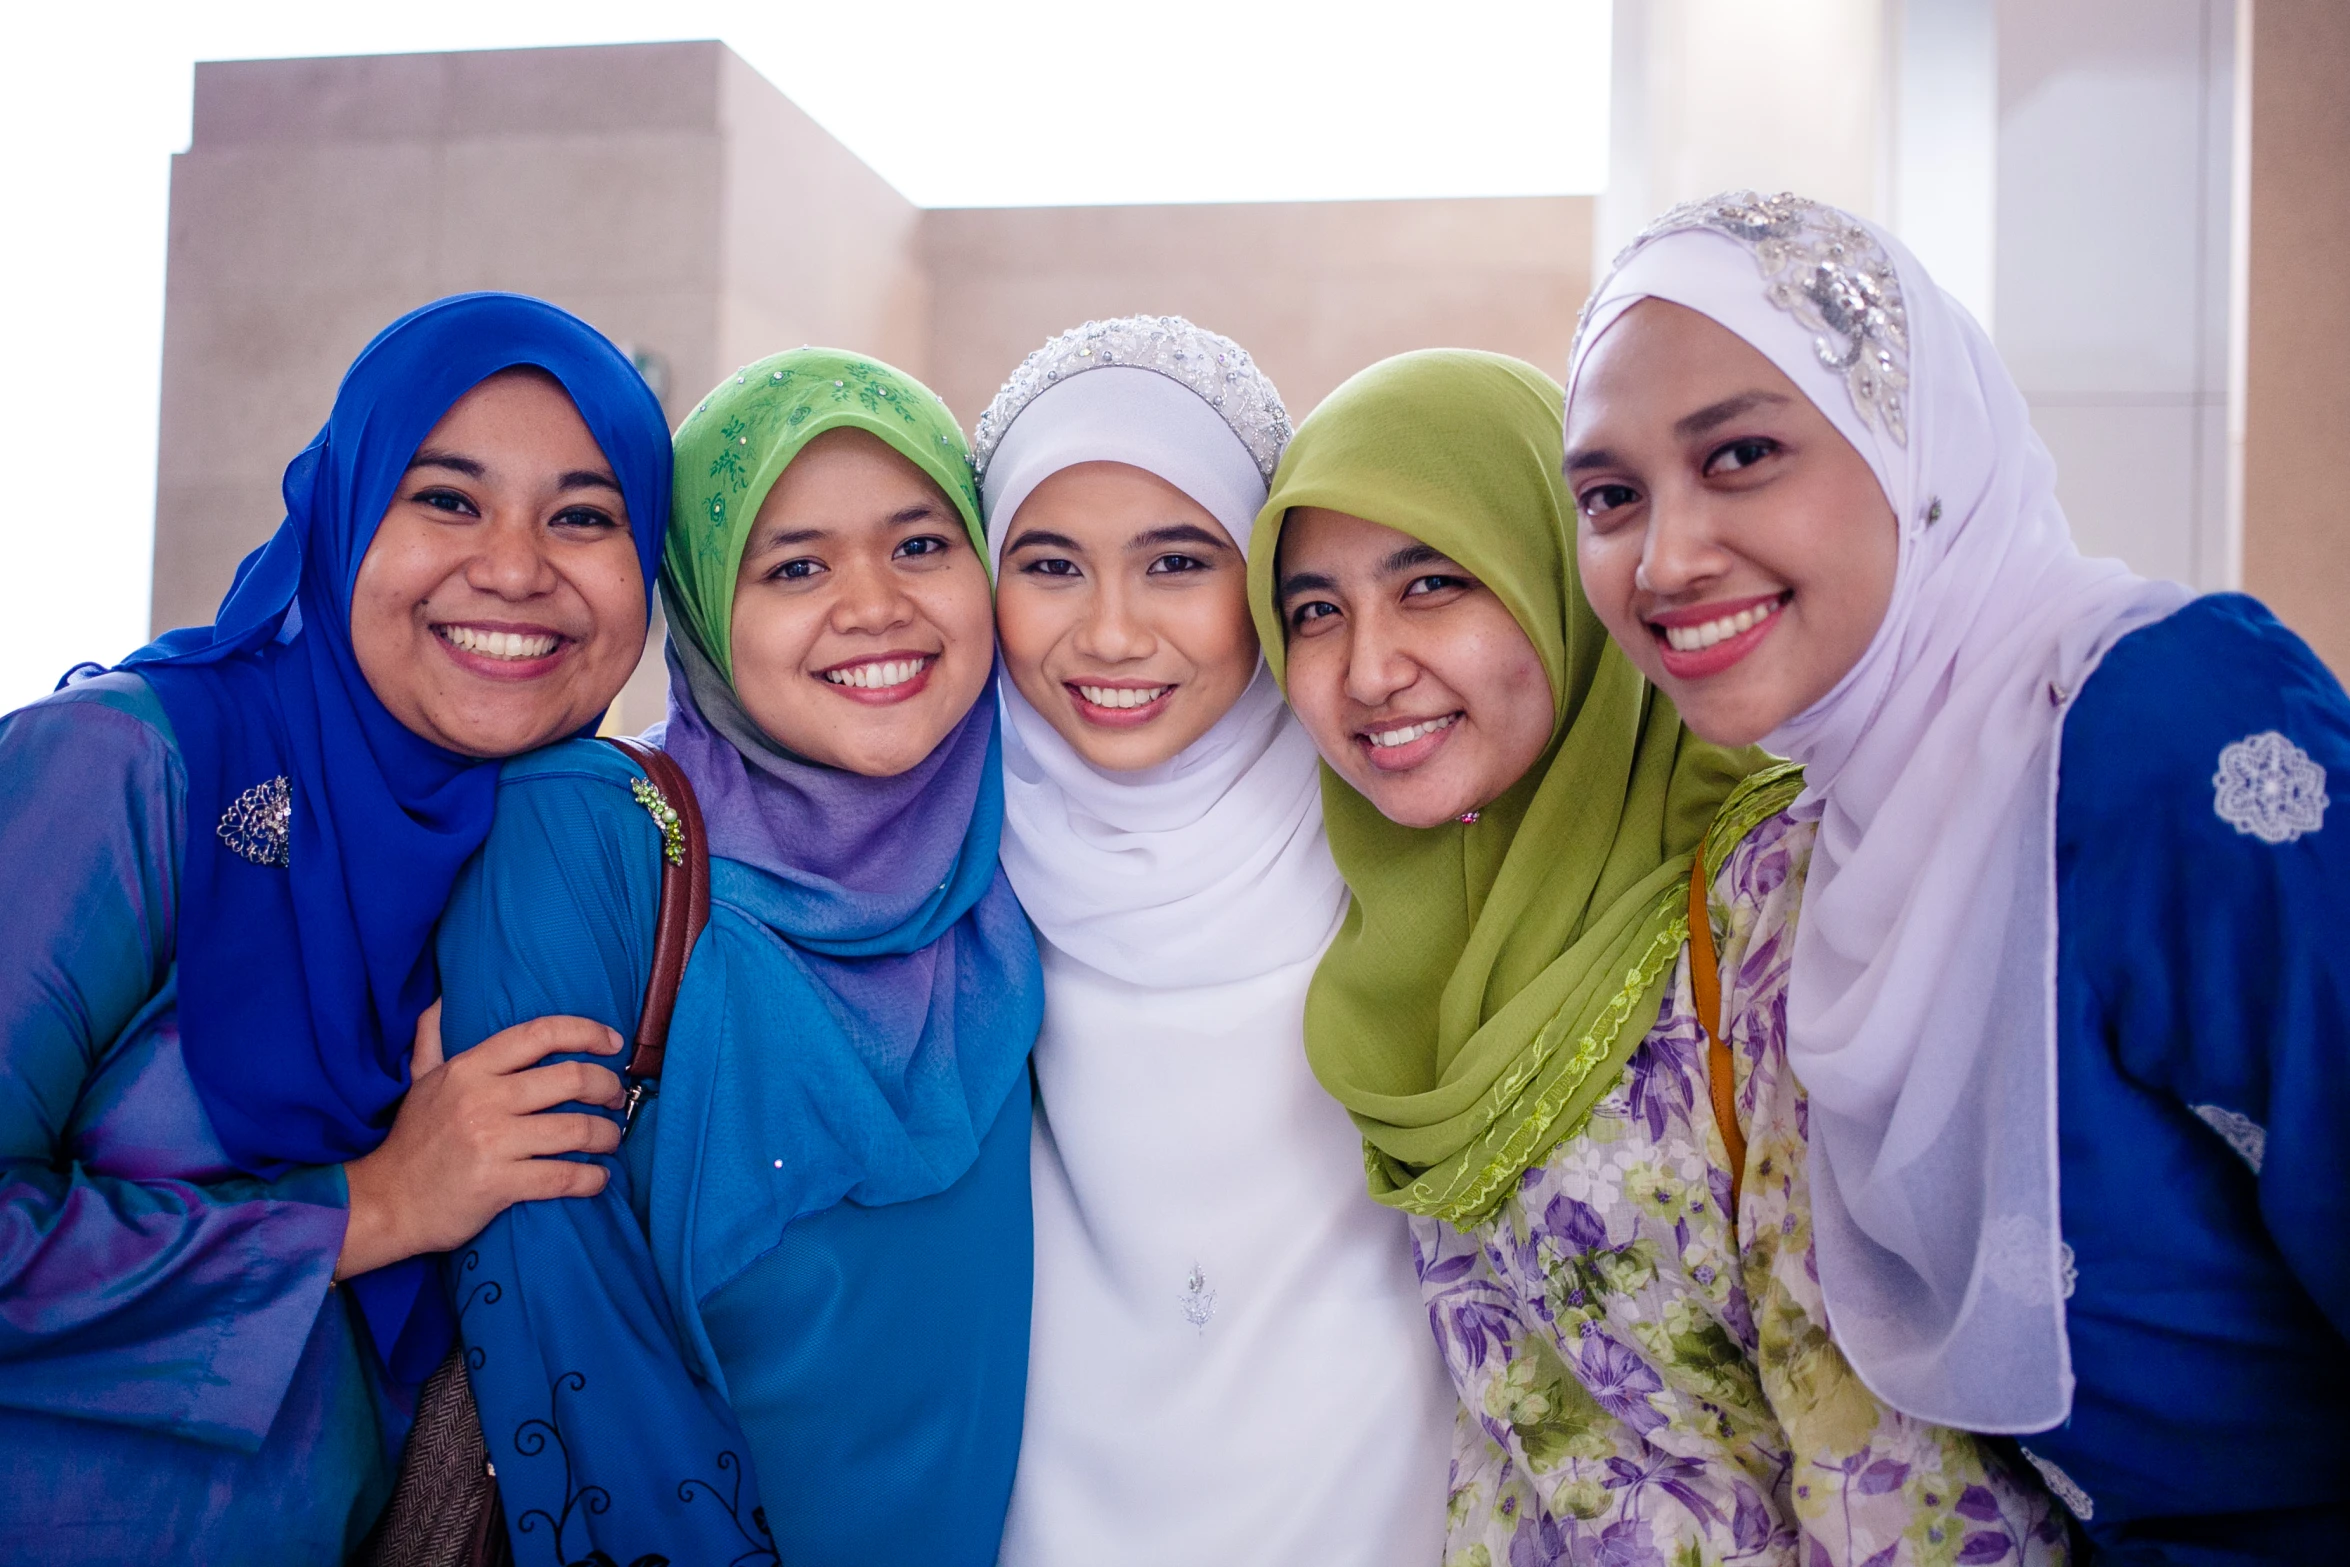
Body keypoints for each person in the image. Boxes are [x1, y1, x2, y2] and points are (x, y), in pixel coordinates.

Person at [1565, 190, 2349, 1564]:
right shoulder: (1830, 838)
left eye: (1740, 452)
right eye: (1608, 496)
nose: (1662, 556)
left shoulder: (2156, 721)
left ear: (1909, 445)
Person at [1249, 347, 2066, 1566]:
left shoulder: (1777, 901)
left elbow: (1900, 1463)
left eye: (1433, 583)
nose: (1367, 669)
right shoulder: (1406, 946)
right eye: (1315, 610)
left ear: (1561, 577)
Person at [0, 293, 673, 1565]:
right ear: (345, 509)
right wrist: (373, 1204)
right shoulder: (129, 770)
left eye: (583, 515)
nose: (517, 568)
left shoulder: (561, 863)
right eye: (447, 498)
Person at [435, 348, 1043, 1566]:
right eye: (797, 565)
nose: (873, 605)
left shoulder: (1033, 833)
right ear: (706, 602)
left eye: (921, 545)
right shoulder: (587, 836)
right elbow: (563, 1312)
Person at [975, 316, 1453, 1565]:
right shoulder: (947, 837)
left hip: (1375, 1479)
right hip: (1050, 1488)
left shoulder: (1403, 813)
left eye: (1177, 563)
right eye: (1050, 565)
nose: (1114, 635)